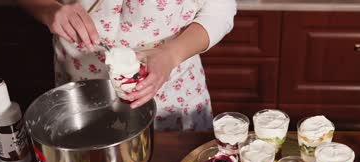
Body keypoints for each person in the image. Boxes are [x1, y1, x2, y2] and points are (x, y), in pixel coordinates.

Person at [17, 0, 236, 131]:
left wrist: (171, 55)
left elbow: (219, 12)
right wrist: (47, 8)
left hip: (172, 85)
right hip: (80, 84)